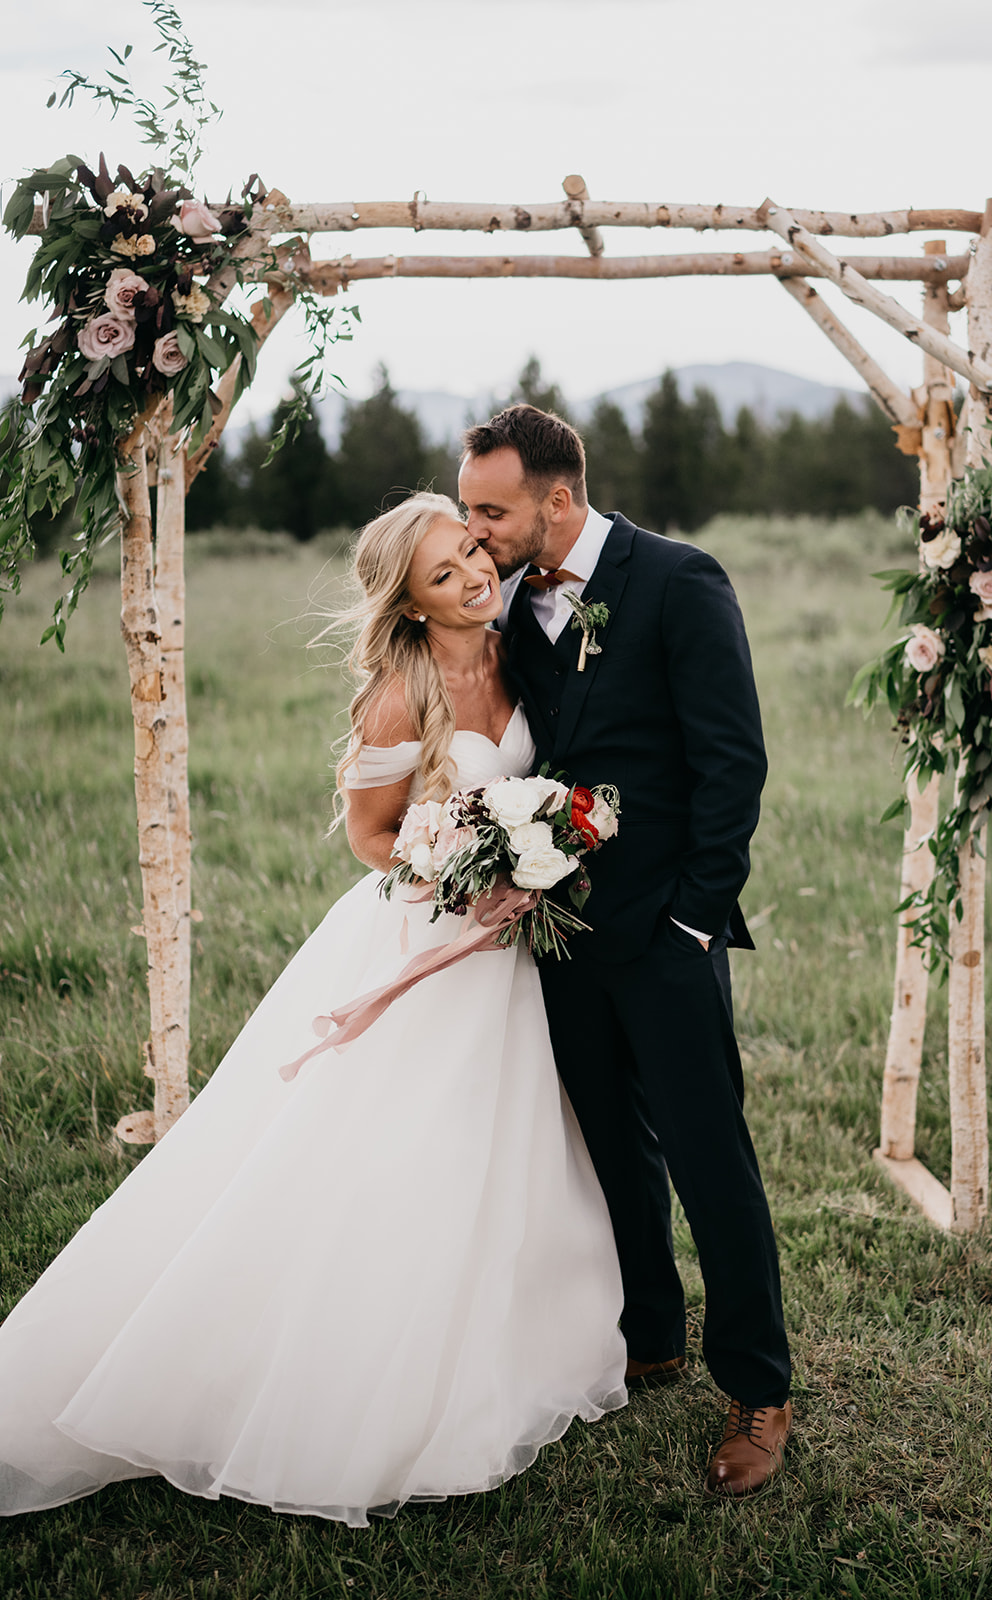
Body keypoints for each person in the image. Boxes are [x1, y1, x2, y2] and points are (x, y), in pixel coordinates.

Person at [0, 492, 626, 1526]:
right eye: (443, 572)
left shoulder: (522, 651)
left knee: (500, 1144)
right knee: (393, 1150)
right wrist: (458, 877)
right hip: (423, 936)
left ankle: (504, 1338)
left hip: (506, 953)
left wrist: (537, 858)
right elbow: (373, 835)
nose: (473, 571)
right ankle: (342, 1372)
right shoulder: (398, 695)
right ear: (413, 603)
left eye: (471, 547)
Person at [458, 406, 793, 1497]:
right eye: (471, 510)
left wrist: (697, 917)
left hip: (667, 932)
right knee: (612, 1147)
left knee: (709, 1157)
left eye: (492, 511)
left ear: (559, 500)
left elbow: (730, 762)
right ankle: (650, 1331)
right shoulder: (504, 601)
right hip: (560, 940)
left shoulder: (680, 581)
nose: (478, 530)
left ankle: (758, 1384)